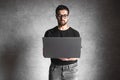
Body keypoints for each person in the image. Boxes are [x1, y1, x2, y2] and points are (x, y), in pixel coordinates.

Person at [44, 5, 80, 80]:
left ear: (68, 16)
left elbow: (77, 55)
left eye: (65, 15)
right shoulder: (49, 33)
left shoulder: (75, 33)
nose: (62, 18)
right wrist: (60, 57)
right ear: (56, 16)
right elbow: (46, 52)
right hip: (55, 69)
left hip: (72, 69)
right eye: (60, 15)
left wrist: (66, 59)